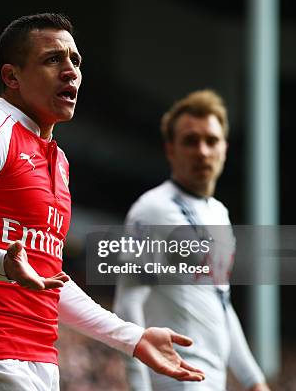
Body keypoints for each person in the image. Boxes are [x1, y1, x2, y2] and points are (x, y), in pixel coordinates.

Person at [0, 13, 205, 390]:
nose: (71, 72)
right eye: (53, 59)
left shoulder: (59, 161)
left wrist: (131, 337)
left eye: (75, 61)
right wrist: (0, 263)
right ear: (12, 76)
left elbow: (49, 282)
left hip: (39, 362)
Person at [113, 90, 270, 391]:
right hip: (175, 381)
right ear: (170, 149)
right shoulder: (152, 210)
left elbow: (221, 304)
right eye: (190, 140)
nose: (202, 151)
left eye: (211, 141)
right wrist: (138, 387)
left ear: (224, 148)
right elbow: (128, 303)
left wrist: (254, 381)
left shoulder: (219, 214)